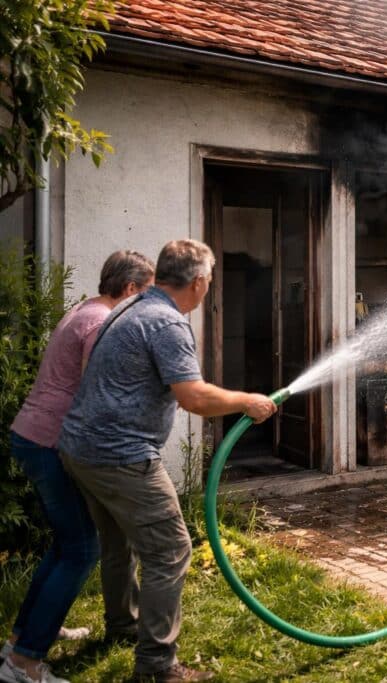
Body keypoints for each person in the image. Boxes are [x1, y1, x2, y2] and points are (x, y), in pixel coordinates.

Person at [57, 240, 278, 683]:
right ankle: (157, 667)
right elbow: (193, 397)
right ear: (197, 282)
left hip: (81, 449)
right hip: (121, 456)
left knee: (117, 542)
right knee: (171, 551)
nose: (209, 289)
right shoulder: (166, 323)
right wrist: (246, 401)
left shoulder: (130, 307)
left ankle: (123, 626)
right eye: (209, 281)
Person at [2, 251, 155, 683]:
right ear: (129, 290)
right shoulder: (101, 324)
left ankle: (22, 639)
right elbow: (97, 391)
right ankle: (25, 663)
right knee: (82, 549)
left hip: (33, 437)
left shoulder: (83, 311)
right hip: (51, 443)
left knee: (66, 544)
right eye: (145, 294)